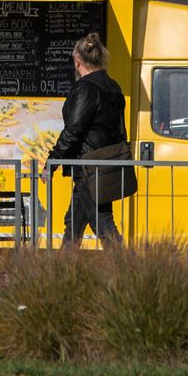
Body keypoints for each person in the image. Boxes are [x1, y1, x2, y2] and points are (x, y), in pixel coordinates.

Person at [44, 32, 126, 247]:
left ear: (77, 61)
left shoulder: (86, 88)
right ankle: (64, 271)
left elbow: (74, 129)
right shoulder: (113, 86)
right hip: (105, 162)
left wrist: (52, 161)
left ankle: (130, 269)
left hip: (88, 164)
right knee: (74, 221)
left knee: (103, 222)